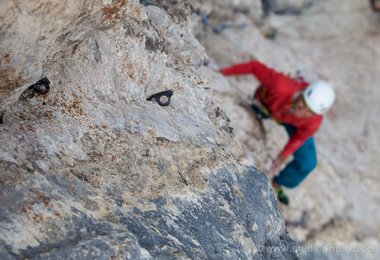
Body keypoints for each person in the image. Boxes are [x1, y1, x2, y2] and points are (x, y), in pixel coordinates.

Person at [220, 60, 335, 205]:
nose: (302, 111)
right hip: (268, 104)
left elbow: (298, 139)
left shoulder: (313, 121)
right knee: (265, 109)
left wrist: (279, 161)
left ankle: (279, 182)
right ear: (301, 95)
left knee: (308, 162)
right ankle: (262, 110)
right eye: (303, 104)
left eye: (309, 112)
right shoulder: (281, 86)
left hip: (291, 121)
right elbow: (254, 67)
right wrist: (222, 72)